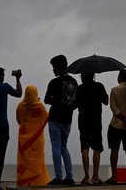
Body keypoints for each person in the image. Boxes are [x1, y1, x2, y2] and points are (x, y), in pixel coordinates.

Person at [44, 55, 78, 186]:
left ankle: (58, 176)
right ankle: (69, 176)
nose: (53, 70)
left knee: (56, 147)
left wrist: (56, 102)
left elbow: (47, 100)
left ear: (59, 66)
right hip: (68, 119)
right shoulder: (74, 82)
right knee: (64, 147)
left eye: (54, 67)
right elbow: (75, 103)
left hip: (55, 118)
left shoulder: (54, 82)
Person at [76, 73, 108, 185]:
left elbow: (74, 104)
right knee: (97, 148)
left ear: (82, 77)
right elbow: (106, 101)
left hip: (83, 120)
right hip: (96, 121)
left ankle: (86, 177)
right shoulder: (99, 86)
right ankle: (95, 177)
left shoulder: (79, 88)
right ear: (93, 75)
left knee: (85, 147)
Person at [15, 85, 50, 186]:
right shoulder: (39, 106)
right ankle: (38, 181)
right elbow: (46, 117)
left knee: (24, 159)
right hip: (37, 136)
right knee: (37, 158)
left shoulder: (20, 106)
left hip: (23, 136)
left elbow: (19, 120)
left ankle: (25, 181)